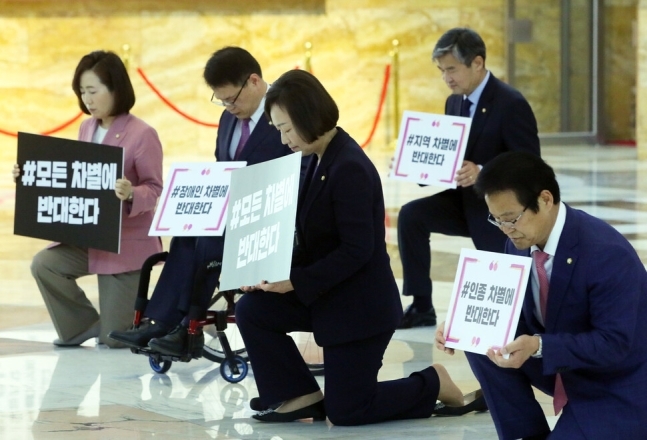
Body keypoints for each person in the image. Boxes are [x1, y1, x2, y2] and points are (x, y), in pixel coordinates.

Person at [235, 69, 477, 426]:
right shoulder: (315, 159)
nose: (284, 139)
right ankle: (298, 393)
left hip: (358, 308)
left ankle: (433, 381)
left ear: (308, 116)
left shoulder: (348, 167)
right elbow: (308, 235)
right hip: (326, 294)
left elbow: (357, 250)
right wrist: (267, 271)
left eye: (286, 128)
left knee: (348, 411)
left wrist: (296, 282)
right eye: (278, 130)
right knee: (253, 310)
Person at [435, 151, 647, 439]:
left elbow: (613, 344)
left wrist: (539, 345)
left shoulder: (606, 253)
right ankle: (524, 432)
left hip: (614, 381)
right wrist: (463, 324)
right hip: (563, 364)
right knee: (480, 337)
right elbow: (508, 311)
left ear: (545, 200)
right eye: (496, 220)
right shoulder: (520, 241)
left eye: (511, 218)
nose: (506, 230)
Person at [109, 46, 305, 356]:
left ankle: (188, 326)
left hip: (271, 219)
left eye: (232, 99)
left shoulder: (287, 112)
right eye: (221, 100)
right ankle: (161, 322)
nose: (228, 107)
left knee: (209, 240)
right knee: (188, 232)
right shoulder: (228, 120)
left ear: (254, 81)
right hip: (233, 215)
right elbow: (222, 168)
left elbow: (302, 170)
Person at [13, 50, 164, 348]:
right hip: (90, 238)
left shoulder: (142, 134)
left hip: (124, 246)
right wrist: (30, 175)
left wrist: (132, 193)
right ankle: (80, 326)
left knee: (116, 340)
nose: (87, 100)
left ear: (116, 89)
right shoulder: (87, 127)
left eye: (93, 91)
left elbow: (155, 188)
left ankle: (154, 324)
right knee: (45, 264)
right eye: (82, 92)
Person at [397, 27, 540, 329]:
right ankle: (421, 305)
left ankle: (521, 316)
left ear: (477, 63)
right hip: (463, 200)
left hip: (496, 210)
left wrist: (483, 170)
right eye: (441, 71)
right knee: (411, 216)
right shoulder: (455, 101)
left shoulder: (510, 103)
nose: (446, 78)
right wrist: (417, 162)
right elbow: (453, 153)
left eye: (452, 69)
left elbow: (530, 164)